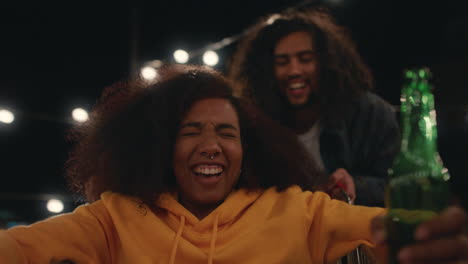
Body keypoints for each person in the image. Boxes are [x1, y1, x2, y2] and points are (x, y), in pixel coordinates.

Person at [0, 65, 466, 264]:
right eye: (191, 131)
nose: (211, 145)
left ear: (249, 150)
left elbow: (396, 232)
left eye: (227, 133)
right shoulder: (116, 217)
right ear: (161, 148)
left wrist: (439, 239)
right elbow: (19, 248)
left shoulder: (297, 211)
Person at [228, 8, 400, 206]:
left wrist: (354, 186)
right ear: (266, 71)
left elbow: (401, 187)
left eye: (305, 59)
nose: (294, 71)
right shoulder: (256, 122)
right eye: (282, 62)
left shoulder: (369, 113)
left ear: (328, 63)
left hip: (355, 231)